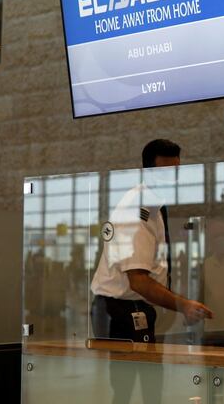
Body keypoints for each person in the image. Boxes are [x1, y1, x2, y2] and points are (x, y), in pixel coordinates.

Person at [91, 139, 214, 342]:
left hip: (134, 307)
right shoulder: (137, 208)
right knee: (139, 372)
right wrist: (184, 305)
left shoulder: (155, 206)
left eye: (175, 173)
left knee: (151, 372)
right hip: (120, 310)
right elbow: (138, 281)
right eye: (164, 174)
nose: (172, 180)